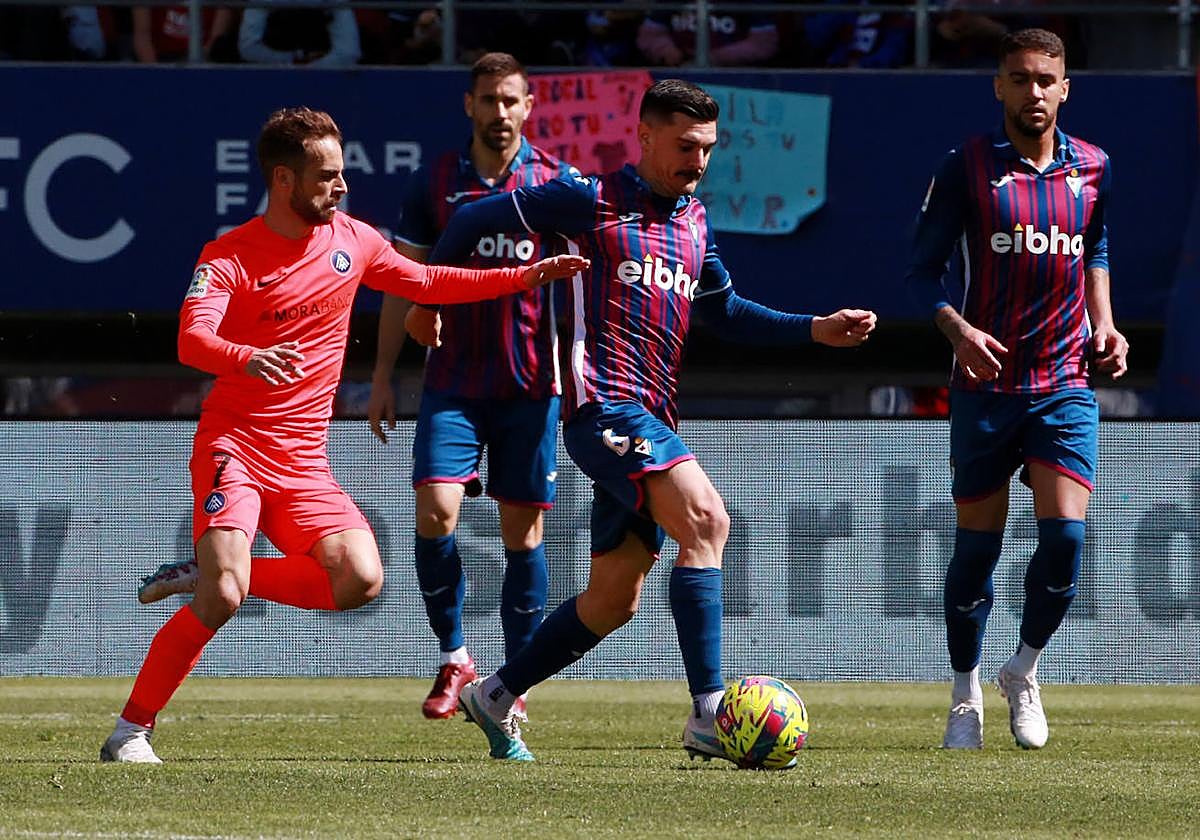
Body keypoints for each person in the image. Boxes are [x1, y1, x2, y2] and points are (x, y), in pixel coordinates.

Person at [100, 107, 587, 763]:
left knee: (359, 578)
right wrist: (246, 356)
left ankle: (215, 571)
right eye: (327, 176)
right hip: (235, 448)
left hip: (303, 465)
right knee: (222, 595)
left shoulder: (353, 241)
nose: (343, 186)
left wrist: (521, 278)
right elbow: (192, 338)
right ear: (283, 179)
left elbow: (424, 281)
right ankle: (131, 731)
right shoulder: (229, 255)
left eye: (342, 172)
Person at [427, 78, 876, 762]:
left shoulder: (695, 221)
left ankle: (494, 694)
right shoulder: (588, 199)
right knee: (709, 521)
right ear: (645, 136)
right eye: (686, 145)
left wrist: (815, 329)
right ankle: (707, 713)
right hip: (601, 406)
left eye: (709, 148)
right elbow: (469, 222)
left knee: (614, 598)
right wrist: (433, 292)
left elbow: (724, 312)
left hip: (651, 414)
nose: (699, 161)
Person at [905, 28, 1128, 751]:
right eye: (1019, 78)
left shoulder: (1093, 166)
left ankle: (1023, 669)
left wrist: (1107, 324)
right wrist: (958, 331)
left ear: (1066, 89)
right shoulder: (966, 167)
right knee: (978, 551)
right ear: (998, 86)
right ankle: (964, 692)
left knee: (1065, 539)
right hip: (985, 384)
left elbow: (1094, 246)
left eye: (1045, 80)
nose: (1033, 92)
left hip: (1063, 379)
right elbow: (920, 271)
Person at [368, 52, 577, 721]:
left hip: (530, 386)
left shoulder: (557, 183)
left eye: (511, 100)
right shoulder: (434, 183)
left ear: (530, 104)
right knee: (435, 511)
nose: (500, 113)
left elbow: (587, 277)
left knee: (523, 537)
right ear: (469, 105)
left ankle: (511, 687)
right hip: (452, 383)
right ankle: (456, 656)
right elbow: (404, 282)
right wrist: (381, 377)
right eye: (488, 100)